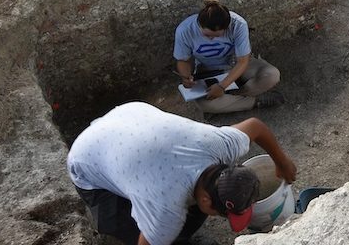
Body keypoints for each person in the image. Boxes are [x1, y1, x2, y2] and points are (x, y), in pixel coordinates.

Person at [67, 102, 298, 245]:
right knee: (126, 225)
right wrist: (161, 235)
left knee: (186, 215)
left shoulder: (221, 145)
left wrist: (282, 162)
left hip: (129, 119)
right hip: (88, 160)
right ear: (206, 199)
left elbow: (256, 126)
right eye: (224, 214)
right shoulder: (166, 210)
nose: (224, 219)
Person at [174, 0, 284, 114]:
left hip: (235, 63)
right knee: (205, 104)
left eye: (217, 36)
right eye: (207, 35)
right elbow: (183, 60)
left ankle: (231, 97)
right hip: (207, 69)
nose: (211, 39)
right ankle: (255, 101)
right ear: (199, 25)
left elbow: (243, 61)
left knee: (271, 75)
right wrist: (186, 77)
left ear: (227, 27)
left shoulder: (238, 24)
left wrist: (222, 87)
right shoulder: (185, 30)